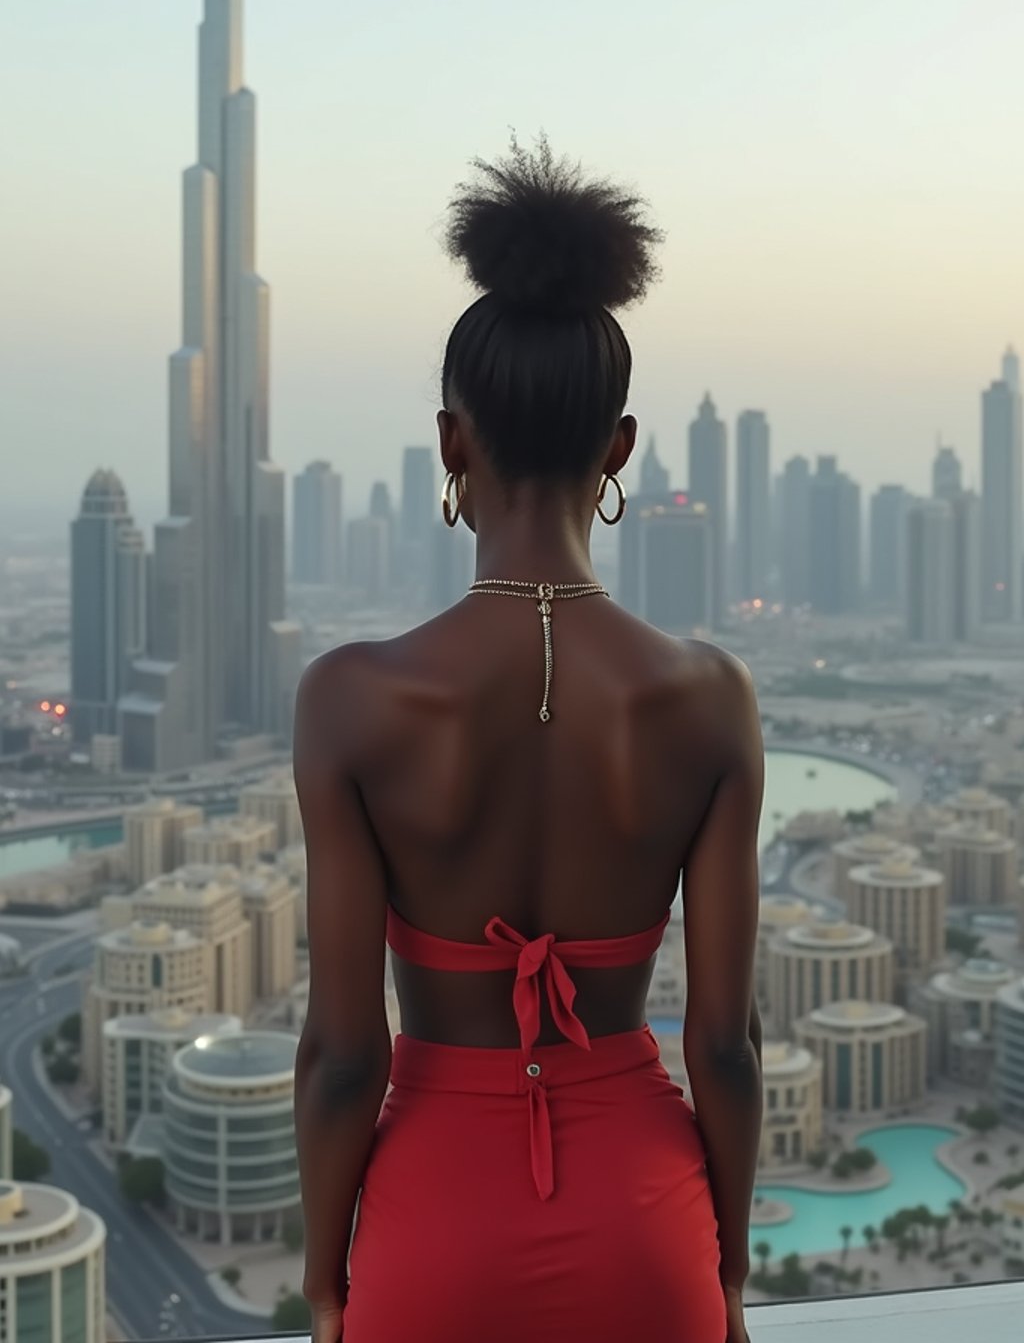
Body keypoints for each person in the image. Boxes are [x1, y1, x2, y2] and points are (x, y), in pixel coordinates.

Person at [294, 139, 764, 1343]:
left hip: (431, 1231)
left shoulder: (350, 700)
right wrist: (728, 1273)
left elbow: (345, 1053)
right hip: (649, 1227)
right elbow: (723, 1041)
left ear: (453, 444)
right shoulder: (710, 699)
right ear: (619, 450)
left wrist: (324, 1281)